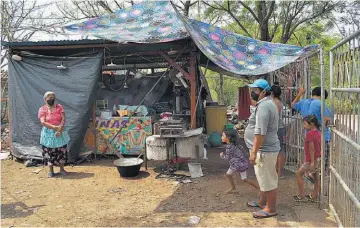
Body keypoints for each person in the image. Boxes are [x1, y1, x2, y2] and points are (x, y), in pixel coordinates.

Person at [244, 79, 280, 219]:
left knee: (268, 178)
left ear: (264, 91)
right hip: (264, 148)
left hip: (265, 149)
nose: (253, 92)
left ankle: (270, 208)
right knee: (263, 177)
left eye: (256, 90)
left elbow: (260, 132)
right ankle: (262, 201)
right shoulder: (265, 104)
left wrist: (253, 152)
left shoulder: (265, 106)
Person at [291, 86, 331, 175]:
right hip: (322, 137)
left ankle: (311, 174)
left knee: (312, 159)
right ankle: (319, 179)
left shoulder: (304, 102)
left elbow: (292, 105)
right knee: (323, 163)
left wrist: (300, 94)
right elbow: (328, 119)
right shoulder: (321, 104)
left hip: (309, 137)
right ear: (322, 96)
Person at [38, 91, 70, 177]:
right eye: (49, 97)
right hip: (48, 133)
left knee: (61, 150)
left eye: (52, 97)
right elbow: (43, 122)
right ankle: (51, 171)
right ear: (45, 99)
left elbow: (63, 119)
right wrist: (54, 128)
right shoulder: (42, 109)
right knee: (49, 151)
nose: (51, 98)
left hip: (60, 130)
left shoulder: (59, 107)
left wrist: (59, 128)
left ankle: (62, 169)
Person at [220, 129, 260, 194]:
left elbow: (227, 157)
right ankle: (233, 188)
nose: (221, 137)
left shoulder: (229, 147)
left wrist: (222, 156)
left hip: (237, 164)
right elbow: (243, 150)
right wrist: (248, 156)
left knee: (242, 178)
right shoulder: (235, 144)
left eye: (223, 135)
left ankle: (260, 189)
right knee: (232, 175)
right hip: (240, 163)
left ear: (228, 138)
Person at [294, 115, 321, 203]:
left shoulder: (310, 134)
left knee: (298, 174)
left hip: (311, 160)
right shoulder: (318, 132)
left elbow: (311, 148)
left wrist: (312, 162)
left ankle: (302, 195)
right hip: (318, 158)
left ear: (312, 124)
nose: (304, 126)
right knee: (316, 177)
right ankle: (314, 196)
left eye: (305, 124)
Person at [271, 84, 286, 179]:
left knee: (278, 150)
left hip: (276, 128)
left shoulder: (274, 102)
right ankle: (277, 171)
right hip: (278, 128)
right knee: (278, 150)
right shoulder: (278, 102)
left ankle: (279, 172)